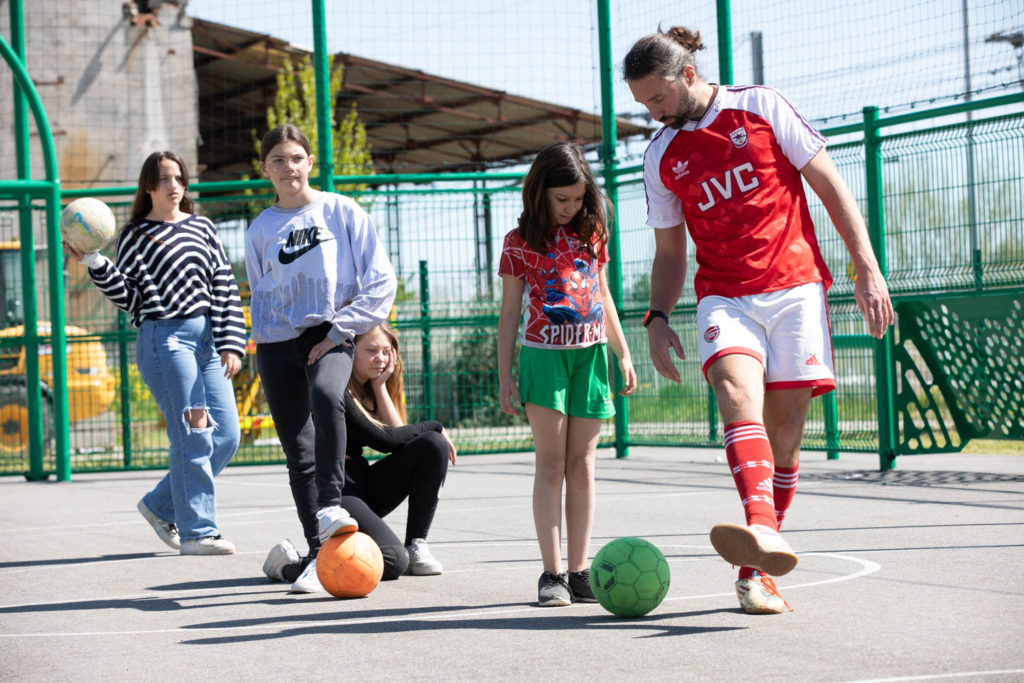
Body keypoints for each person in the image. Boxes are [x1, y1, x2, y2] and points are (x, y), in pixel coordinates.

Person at [623, 26, 895, 614]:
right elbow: (671, 254)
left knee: (787, 433)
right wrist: (657, 315)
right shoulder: (660, 157)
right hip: (726, 298)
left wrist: (866, 267)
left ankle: (754, 572)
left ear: (687, 75)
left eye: (657, 98)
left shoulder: (762, 107)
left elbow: (830, 187)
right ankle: (763, 528)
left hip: (796, 288)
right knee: (734, 393)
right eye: (642, 103)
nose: (652, 112)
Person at [65, 151, 245, 555]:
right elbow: (129, 297)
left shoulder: (203, 228)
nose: (174, 185)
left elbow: (224, 288)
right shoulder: (134, 235)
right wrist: (95, 262)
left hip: (208, 341)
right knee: (194, 433)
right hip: (165, 341)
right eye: (164, 178)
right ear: (149, 186)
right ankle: (198, 532)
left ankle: (160, 505)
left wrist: (232, 342)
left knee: (227, 435)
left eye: (179, 177)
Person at [246, 124, 397, 592]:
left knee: (328, 393)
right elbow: (260, 290)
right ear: (265, 169)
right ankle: (314, 556)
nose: (288, 167)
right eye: (277, 161)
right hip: (275, 344)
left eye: (295, 158)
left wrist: (339, 331)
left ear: (309, 162)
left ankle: (332, 503)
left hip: (329, 333)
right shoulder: (260, 229)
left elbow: (381, 281)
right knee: (298, 450)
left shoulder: (341, 211)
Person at [497, 141, 637, 607]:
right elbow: (510, 311)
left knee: (583, 466)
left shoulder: (593, 232)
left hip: (591, 356)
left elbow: (603, 294)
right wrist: (505, 375)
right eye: (561, 200)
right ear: (539, 193)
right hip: (543, 359)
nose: (570, 208)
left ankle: (580, 571)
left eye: (578, 199)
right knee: (551, 464)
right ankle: (552, 574)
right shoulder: (518, 243)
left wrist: (623, 353)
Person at [262, 322, 457, 592]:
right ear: (352, 351)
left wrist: (380, 387)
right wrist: (435, 424)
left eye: (387, 351)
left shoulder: (373, 387)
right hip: (341, 492)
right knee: (391, 561)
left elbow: (399, 438)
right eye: (372, 351)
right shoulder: (335, 387)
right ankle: (289, 564)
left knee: (432, 446)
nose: (381, 358)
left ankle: (416, 545)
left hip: (365, 482)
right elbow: (385, 440)